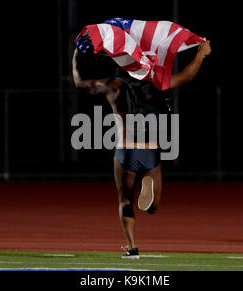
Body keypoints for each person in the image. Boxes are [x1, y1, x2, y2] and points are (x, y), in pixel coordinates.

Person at [72, 39, 211, 259]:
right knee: (154, 207)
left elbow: (80, 83)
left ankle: (132, 246)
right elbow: (186, 76)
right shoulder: (155, 82)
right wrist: (201, 54)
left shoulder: (111, 85)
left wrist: (76, 56)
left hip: (125, 149)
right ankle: (150, 199)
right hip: (150, 150)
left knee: (124, 200)